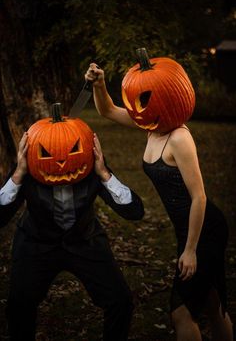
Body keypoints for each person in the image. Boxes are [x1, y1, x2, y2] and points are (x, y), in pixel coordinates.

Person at [85, 63, 234, 341]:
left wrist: (190, 250)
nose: (138, 108)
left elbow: (199, 196)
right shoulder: (151, 125)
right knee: (213, 303)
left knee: (181, 312)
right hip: (186, 228)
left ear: (168, 98)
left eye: (145, 99)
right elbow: (107, 110)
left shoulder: (179, 138)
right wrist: (99, 84)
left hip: (204, 229)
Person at [0, 131, 144, 341]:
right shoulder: (29, 168)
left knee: (120, 301)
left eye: (73, 150)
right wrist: (19, 173)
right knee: (18, 305)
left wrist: (104, 173)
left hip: (84, 241)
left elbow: (135, 211)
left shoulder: (91, 168)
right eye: (48, 154)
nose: (60, 162)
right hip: (37, 243)